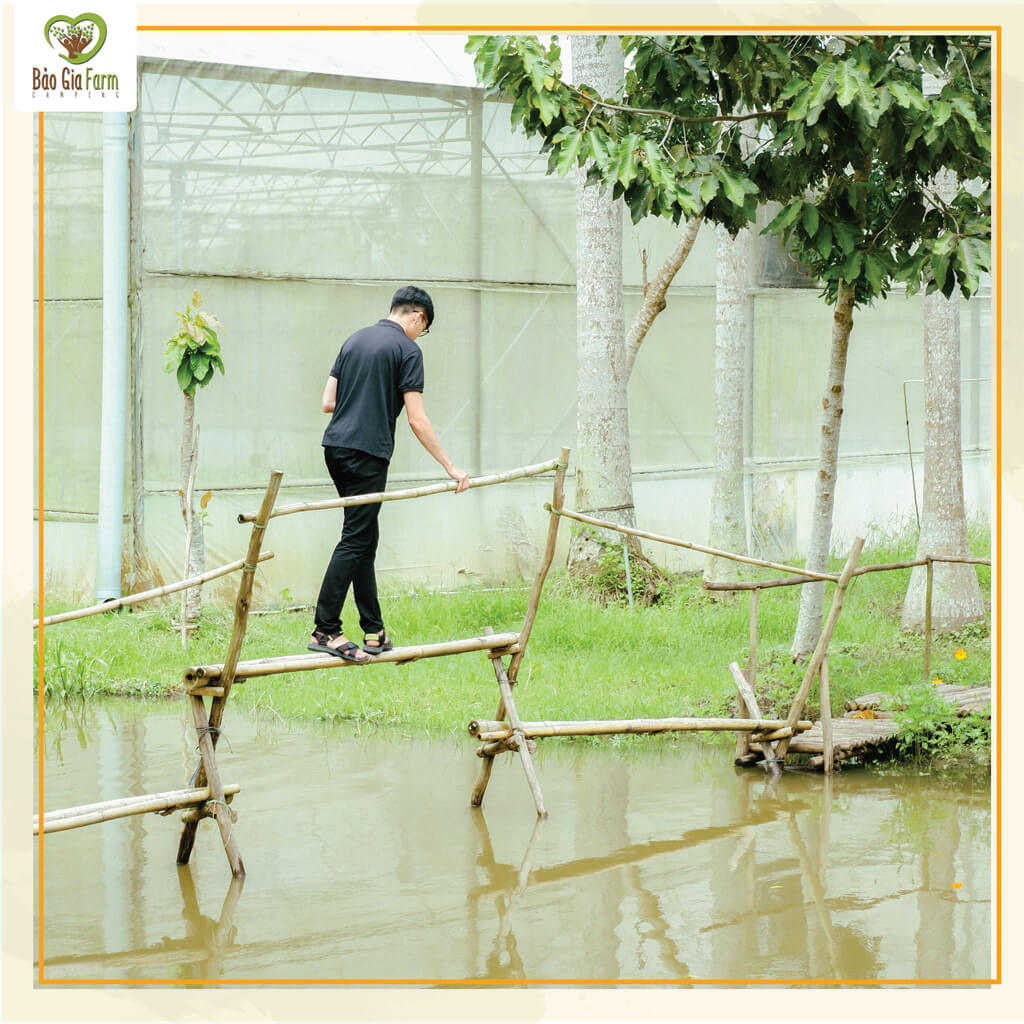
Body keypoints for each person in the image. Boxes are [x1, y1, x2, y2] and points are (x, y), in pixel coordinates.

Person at [309, 286, 470, 663]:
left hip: (335, 448)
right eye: (423, 327)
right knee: (355, 539)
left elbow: (327, 402)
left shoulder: (354, 340)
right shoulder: (408, 350)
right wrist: (450, 466)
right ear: (418, 317)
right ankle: (325, 629)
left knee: (364, 536)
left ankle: (374, 631)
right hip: (367, 453)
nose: (420, 333)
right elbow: (417, 418)